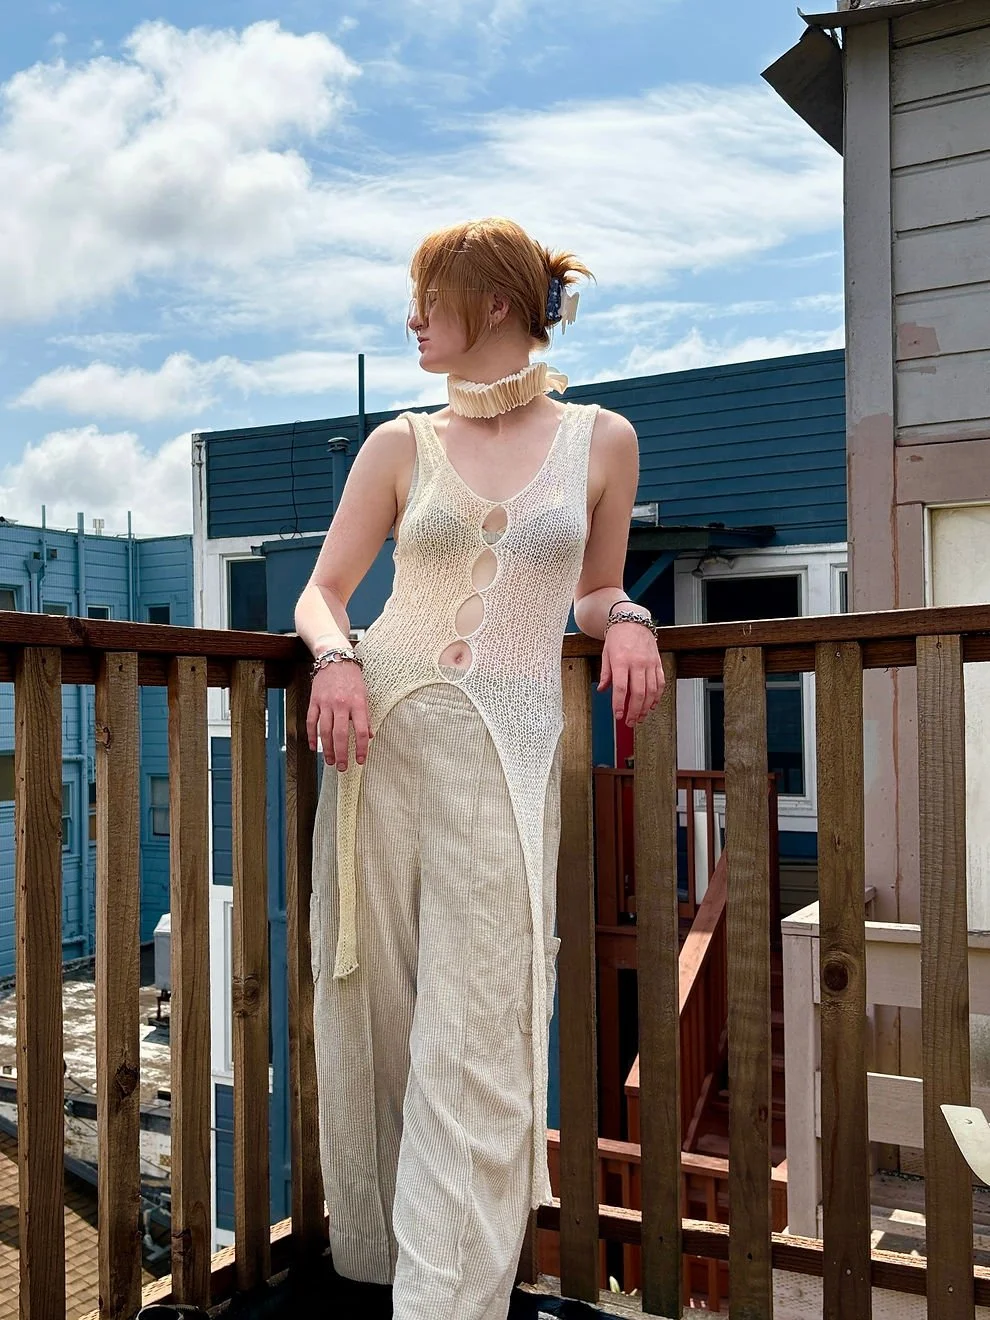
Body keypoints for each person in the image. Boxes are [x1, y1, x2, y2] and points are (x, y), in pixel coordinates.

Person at [294, 216, 664, 1320]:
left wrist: (631, 616)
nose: (412, 320)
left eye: (427, 298)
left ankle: (447, 1302)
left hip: (504, 756)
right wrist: (335, 660)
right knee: (376, 1014)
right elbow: (325, 590)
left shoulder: (602, 439)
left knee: (482, 1032)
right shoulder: (400, 444)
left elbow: (593, 590)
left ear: (492, 305)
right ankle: (380, 1272)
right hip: (381, 744)